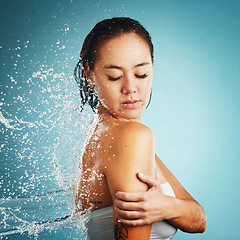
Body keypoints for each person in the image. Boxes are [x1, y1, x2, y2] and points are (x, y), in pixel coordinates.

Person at [74, 17, 207, 240]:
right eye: (114, 76)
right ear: (89, 75)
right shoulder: (132, 138)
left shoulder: (108, 135)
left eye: (141, 74)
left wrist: (168, 207)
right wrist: (173, 208)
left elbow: (199, 220)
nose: (131, 88)